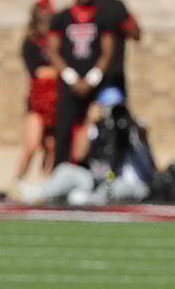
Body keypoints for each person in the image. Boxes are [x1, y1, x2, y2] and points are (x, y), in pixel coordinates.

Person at [19, 87, 155, 206]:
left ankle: (90, 198)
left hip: (130, 183)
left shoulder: (133, 127)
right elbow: (78, 154)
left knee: (111, 187)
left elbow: (143, 130)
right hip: (101, 179)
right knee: (65, 170)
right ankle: (41, 193)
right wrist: (90, 121)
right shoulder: (97, 128)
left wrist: (127, 121)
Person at [48, 0, 114, 167]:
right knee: (64, 127)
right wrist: (71, 77)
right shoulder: (61, 17)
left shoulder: (102, 17)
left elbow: (107, 52)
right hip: (70, 82)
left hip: (94, 83)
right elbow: (53, 51)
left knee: (95, 127)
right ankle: (59, 171)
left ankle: (93, 171)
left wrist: (92, 78)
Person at [14, 0, 56, 190]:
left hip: (56, 98)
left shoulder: (57, 41)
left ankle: (45, 183)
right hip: (39, 99)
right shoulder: (30, 43)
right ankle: (17, 182)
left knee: (51, 145)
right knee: (32, 144)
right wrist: (60, 71)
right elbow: (36, 71)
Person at [91, 0, 141, 97]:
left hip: (85, 73)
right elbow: (136, 33)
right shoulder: (117, 7)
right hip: (112, 74)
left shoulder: (87, 3)